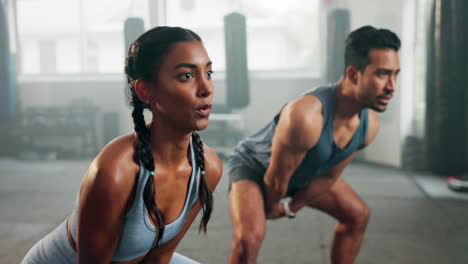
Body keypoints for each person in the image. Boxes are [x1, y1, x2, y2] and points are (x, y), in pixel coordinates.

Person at [22, 26, 222, 264]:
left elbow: (160, 256)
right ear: (146, 91)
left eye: (208, 73)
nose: (206, 88)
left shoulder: (208, 168)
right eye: (186, 76)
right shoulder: (115, 171)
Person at [228, 25, 400, 264]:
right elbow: (276, 180)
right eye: (382, 74)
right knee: (249, 240)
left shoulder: (368, 125)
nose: (392, 86)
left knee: (357, 215)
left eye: (395, 74)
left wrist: (291, 208)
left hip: (303, 173)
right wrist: (270, 207)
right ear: (353, 75)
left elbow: (328, 178)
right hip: (257, 169)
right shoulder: (306, 116)